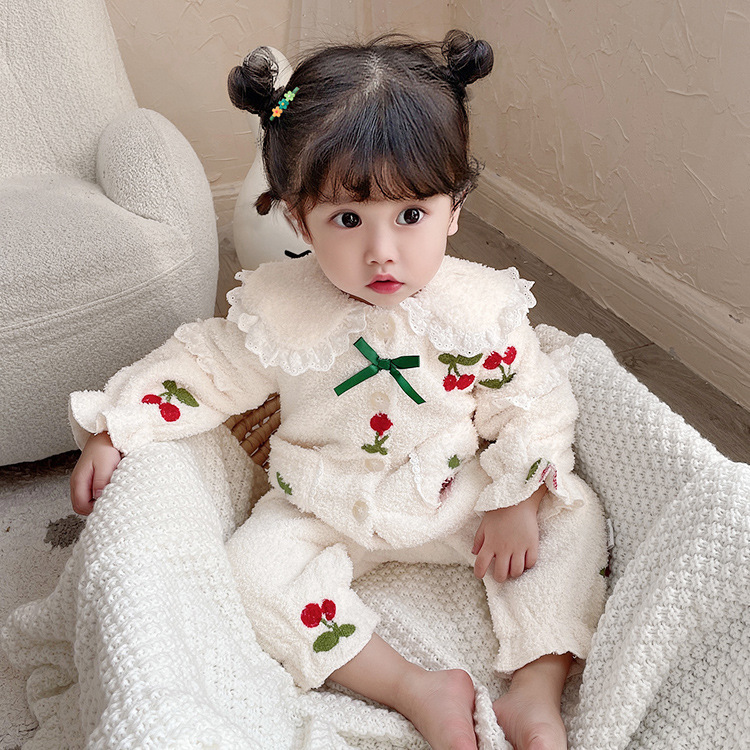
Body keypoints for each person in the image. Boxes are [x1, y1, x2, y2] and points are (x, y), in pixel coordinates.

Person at [69, 31, 607, 750]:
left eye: (411, 216)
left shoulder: (480, 310)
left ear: (453, 209)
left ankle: (534, 691)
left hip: (453, 495)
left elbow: (532, 404)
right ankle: (415, 687)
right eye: (348, 220)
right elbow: (202, 367)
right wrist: (119, 427)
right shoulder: (279, 310)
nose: (382, 253)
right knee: (250, 573)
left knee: (573, 516)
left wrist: (518, 499)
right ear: (299, 218)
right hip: (324, 503)